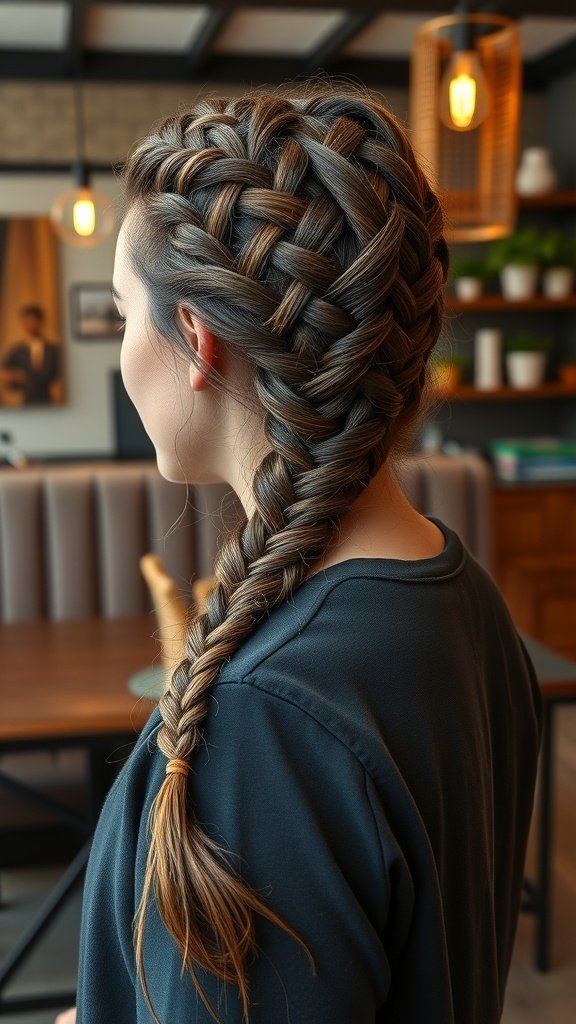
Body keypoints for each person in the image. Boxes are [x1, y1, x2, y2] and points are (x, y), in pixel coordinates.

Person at [58, 88, 541, 1024]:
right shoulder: (464, 600)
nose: (121, 354)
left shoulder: (265, 724)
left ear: (195, 340)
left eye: (122, 316)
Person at [1, 304, 61, 405]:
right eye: (27, 321)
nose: (31, 325)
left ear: (41, 322)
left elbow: (56, 373)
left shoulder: (52, 350)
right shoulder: (17, 350)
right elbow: (5, 370)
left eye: (34, 321)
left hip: (47, 400)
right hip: (26, 400)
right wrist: (15, 376)